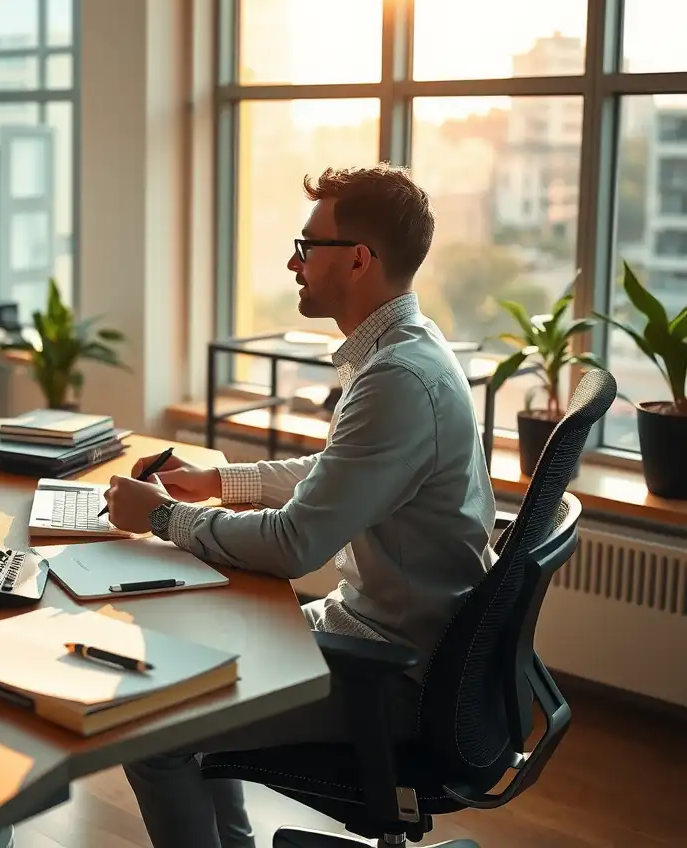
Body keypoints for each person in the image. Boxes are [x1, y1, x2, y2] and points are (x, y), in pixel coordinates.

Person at [104, 164, 497, 848]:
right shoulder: (407, 349)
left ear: (358, 259)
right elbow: (337, 472)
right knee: (187, 658)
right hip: (387, 637)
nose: (293, 261)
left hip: (394, 677)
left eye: (306, 245)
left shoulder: (398, 377)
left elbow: (292, 546)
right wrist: (218, 483)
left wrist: (161, 517)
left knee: (153, 728)